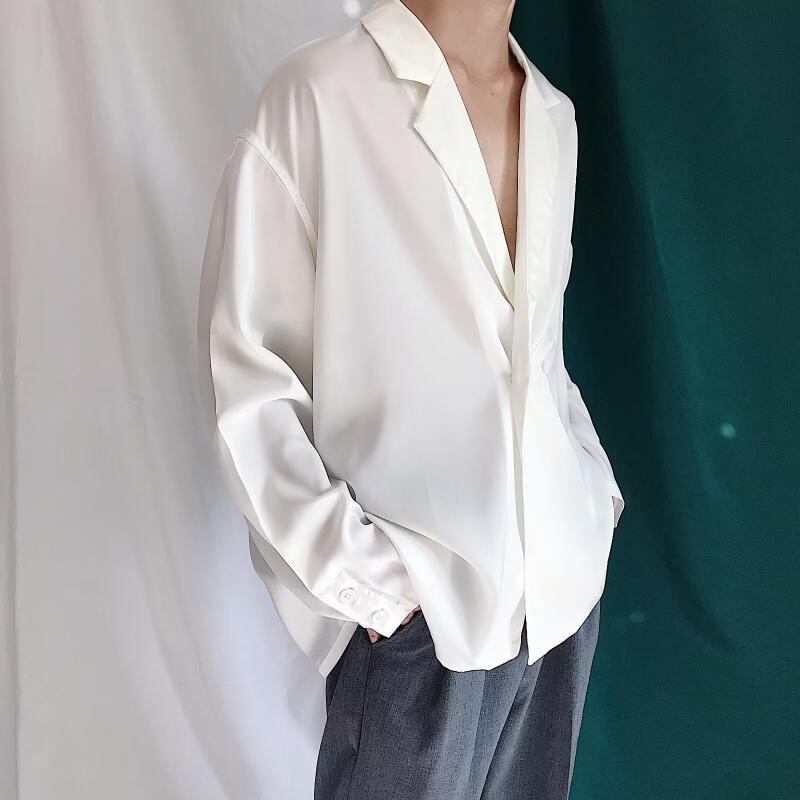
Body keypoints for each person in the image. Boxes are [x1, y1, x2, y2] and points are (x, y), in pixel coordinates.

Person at [197, 0, 625, 796]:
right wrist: (375, 590)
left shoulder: (552, 115)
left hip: (556, 605)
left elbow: (538, 356)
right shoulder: (321, 95)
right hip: (423, 619)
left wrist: (593, 501)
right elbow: (248, 384)